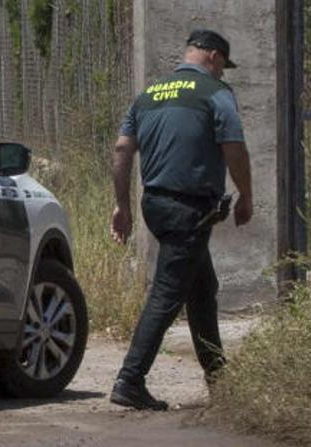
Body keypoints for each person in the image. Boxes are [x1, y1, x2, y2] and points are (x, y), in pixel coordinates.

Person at [108, 29, 253, 411]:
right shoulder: (216, 94)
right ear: (214, 57)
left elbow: (123, 148)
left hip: (155, 205)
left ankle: (219, 381)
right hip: (188, 209)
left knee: (202, 289)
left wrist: (121, 205)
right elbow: (234, 148)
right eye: (223, 65)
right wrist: (246, 196)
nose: (223, 73)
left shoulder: (149, 95)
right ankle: (129, 379)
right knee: (167, 293)